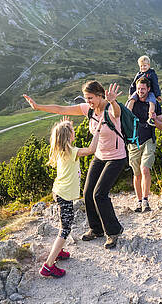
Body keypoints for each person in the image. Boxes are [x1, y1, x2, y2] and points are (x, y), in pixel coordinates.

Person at [23, 81, 127, 249]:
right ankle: (96, 229)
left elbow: (117, 113)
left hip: (116, 157)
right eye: (86, 98)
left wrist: (113, 101)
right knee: (87, 193)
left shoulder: (110, 108)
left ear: (100, 95)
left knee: (99, 194)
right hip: (100, 156)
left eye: (90, 98)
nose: (88, 101)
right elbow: (61, 109)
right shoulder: (88, 109)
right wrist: (38, 107)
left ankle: (114, 231)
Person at [40, 118, 97, 278]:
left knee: (64, 225)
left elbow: (66, 135)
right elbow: (91, 149)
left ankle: (58, 251)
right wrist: (98, 130)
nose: (74, 132)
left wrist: (66, 126)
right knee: (65, 229)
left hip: (60, 192)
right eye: (72, 131)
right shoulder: (72, 152)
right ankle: (48, 266)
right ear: (68, 136)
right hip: (64, 195)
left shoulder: (62, 150)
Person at [125, 79, 159, 213]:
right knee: (137, 173)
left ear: (148, 89)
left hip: (149, 139)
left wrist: (155, 120)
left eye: (143, 89)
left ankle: (145, 200)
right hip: (133, 142)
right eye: (138, 89)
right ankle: (139, 202)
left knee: (145, 169)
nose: (140, 91)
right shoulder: (132, 102)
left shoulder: (154, 103)